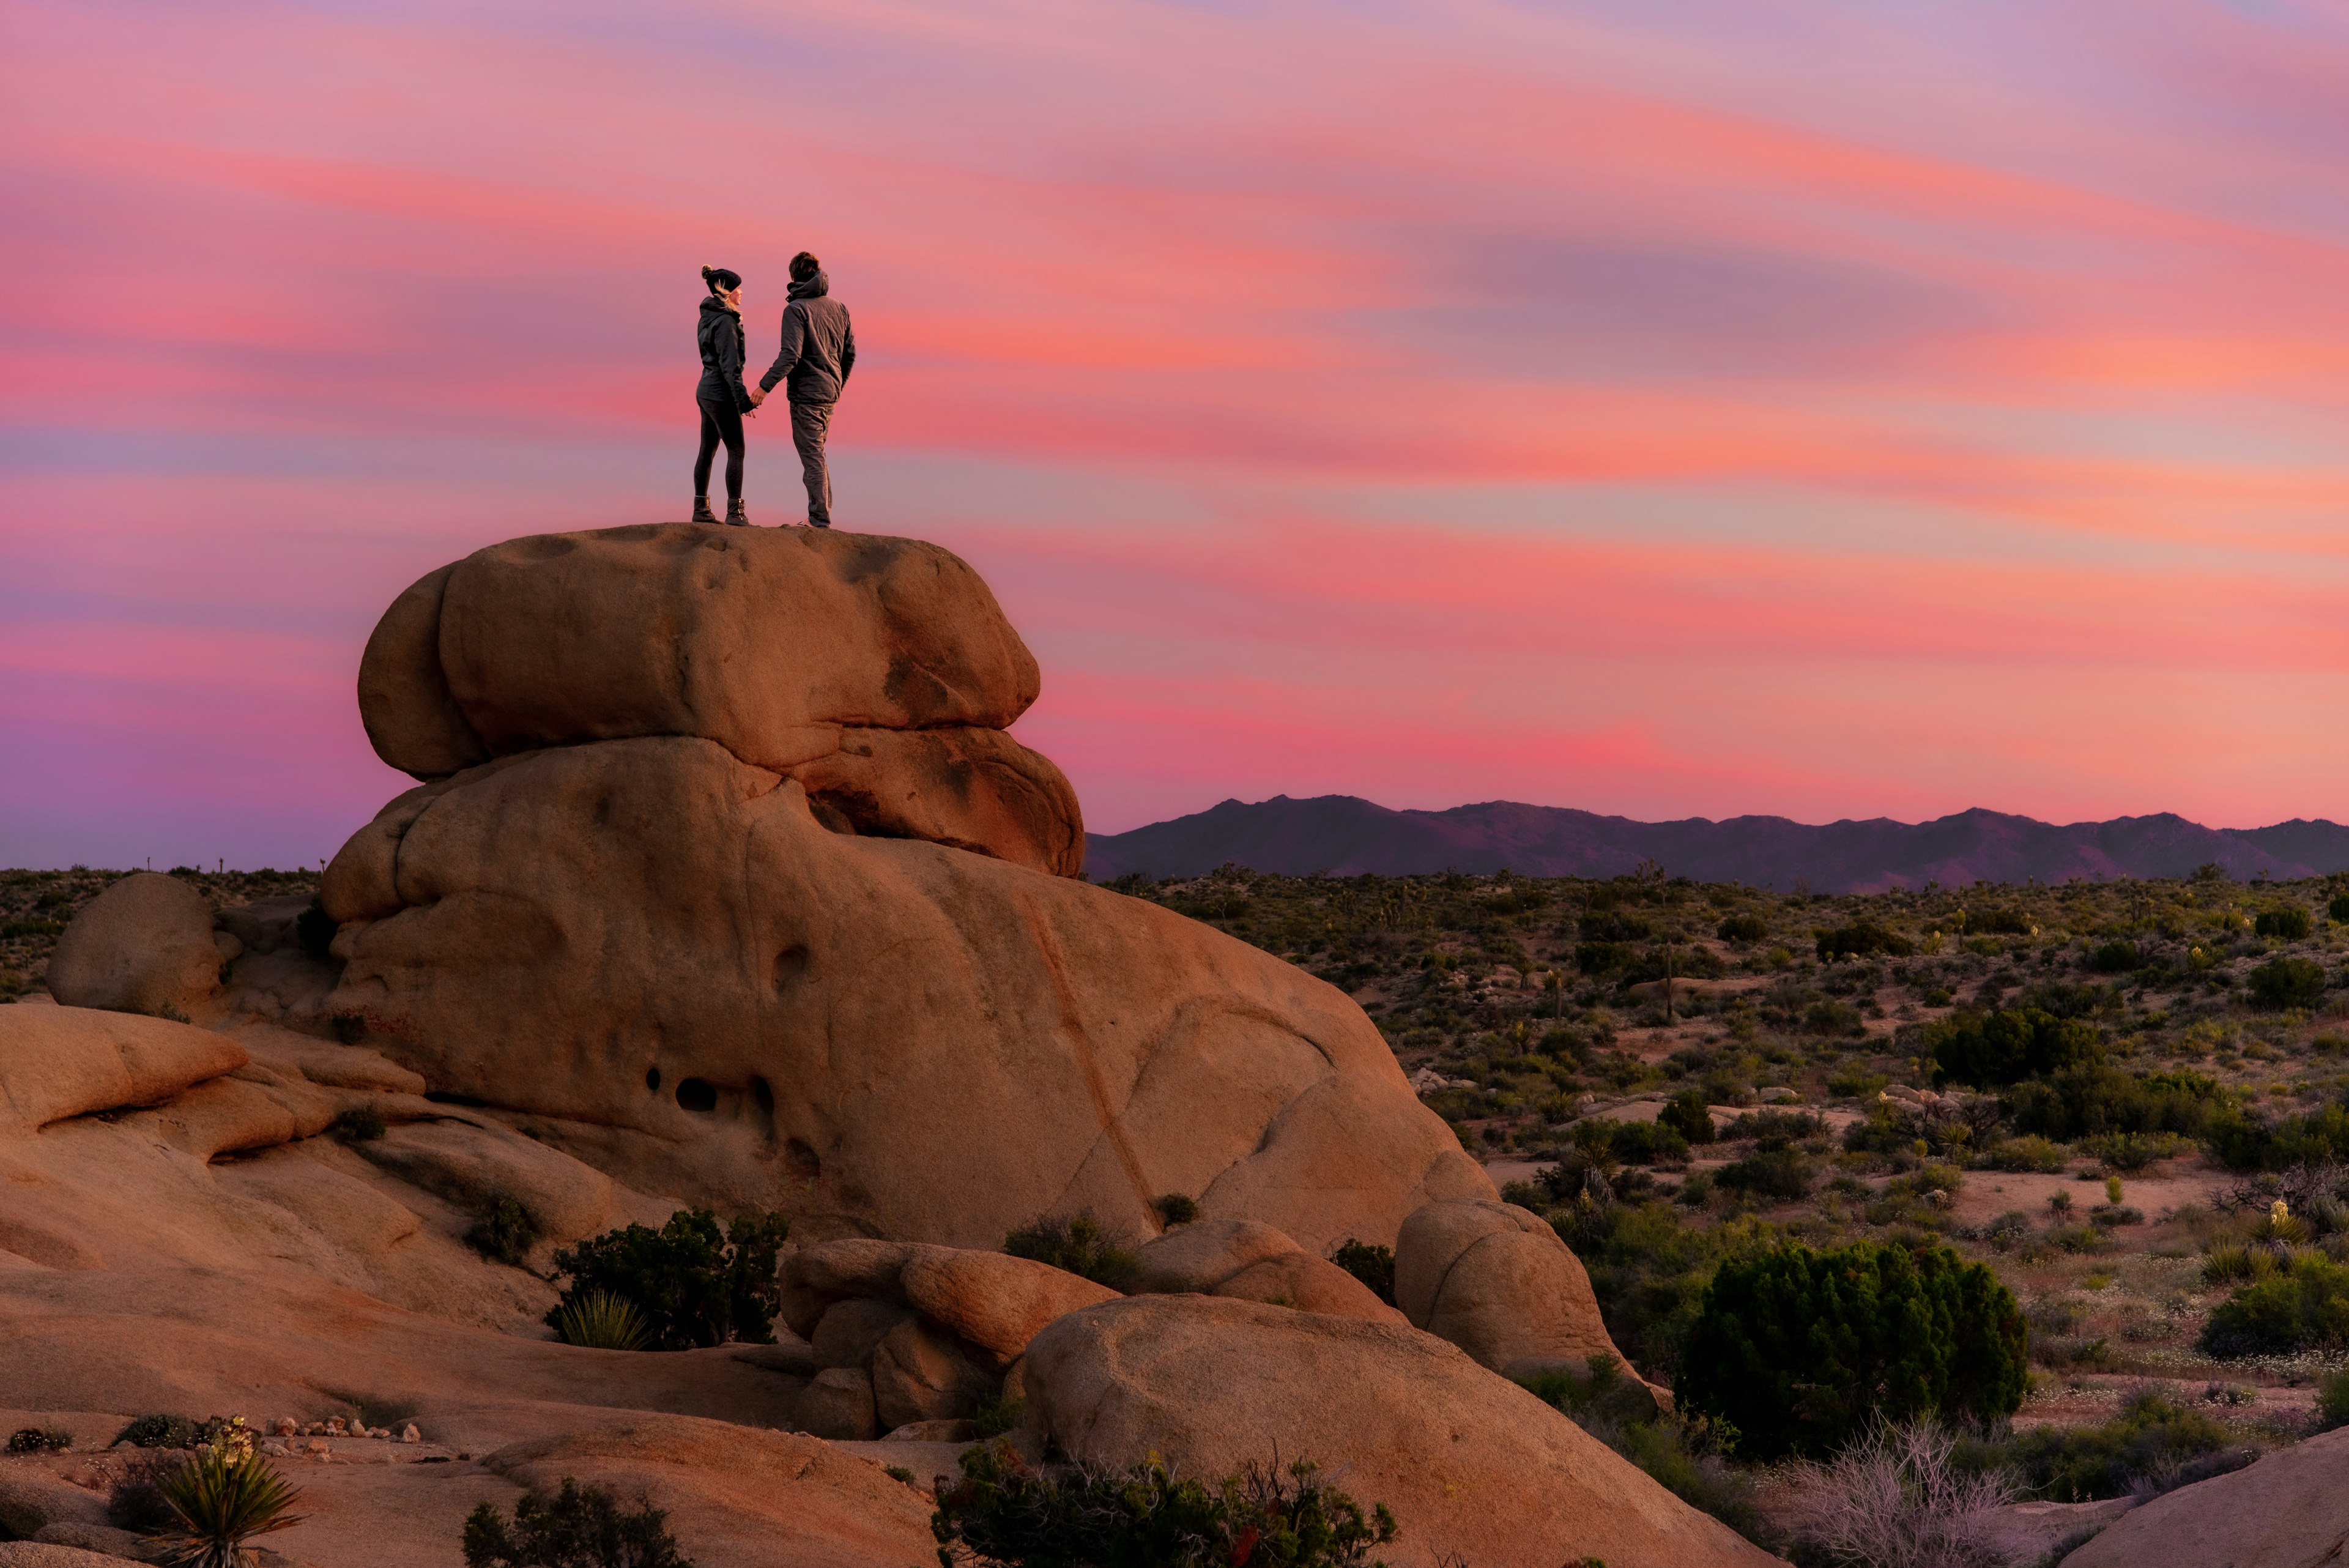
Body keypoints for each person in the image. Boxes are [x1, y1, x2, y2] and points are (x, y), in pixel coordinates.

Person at [757, 251, 855, 528]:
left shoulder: (796, 310)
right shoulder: (840, 308)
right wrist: (837, 384)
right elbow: (850, 354)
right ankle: (821, 515)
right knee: (818, 454)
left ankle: (819, 520)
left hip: (807, 396)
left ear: (793, 277)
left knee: (812, 457)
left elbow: (790, 356)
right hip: (830, 394)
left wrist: (764, 388)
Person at [692, 265, 765, 526]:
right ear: (725, 291)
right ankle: (735, 513)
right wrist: (743, 400)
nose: (741, 292)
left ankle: (701, 509)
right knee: (736, 449)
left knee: (707, 449)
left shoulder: (708, 317)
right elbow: (730, 367)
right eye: (737, 288)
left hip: (705, 391)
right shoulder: (725, 322)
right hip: (721, 394)